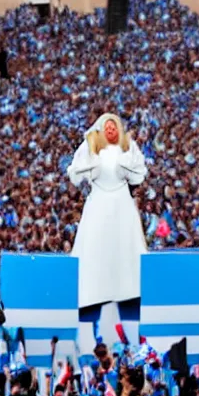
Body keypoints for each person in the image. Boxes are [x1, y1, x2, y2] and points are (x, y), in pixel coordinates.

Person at [67, 113, 148, 309]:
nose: (110, 130)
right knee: (96, 243)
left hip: (122, 202)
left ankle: (130, 292)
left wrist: (125, 162)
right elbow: (75, 174)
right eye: (107, 127)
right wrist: (92, 162)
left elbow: (139, 174)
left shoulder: (128, 147)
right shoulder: (90, 146)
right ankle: (92, 294)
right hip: (98, 201)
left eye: (114, 127)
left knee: (125, 244)